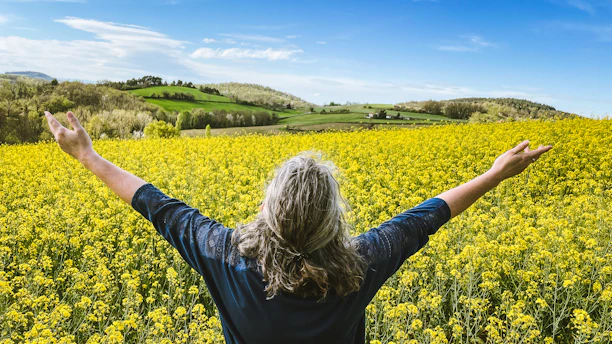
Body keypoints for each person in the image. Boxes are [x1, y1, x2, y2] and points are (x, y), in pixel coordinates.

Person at [44, 111, 553, 343]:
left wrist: (88, 155)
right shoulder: (362, 264)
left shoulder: (225, 255)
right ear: (334, 220)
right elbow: (426, 217)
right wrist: (493, 174)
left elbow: (158, 206)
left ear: (269, 208)